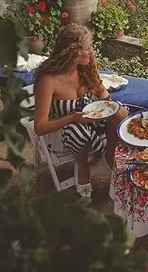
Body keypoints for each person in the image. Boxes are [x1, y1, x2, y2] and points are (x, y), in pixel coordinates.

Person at [33, 24, 129, 199]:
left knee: (121, 113)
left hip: (88, 122)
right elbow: (39, 127)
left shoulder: (84, 69)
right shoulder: (48, 80)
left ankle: (110, 154)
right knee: (79, 130)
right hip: (60, 131)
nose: (91, 51)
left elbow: (105, 98)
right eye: (87, 48)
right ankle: (82, 166)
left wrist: (109, 105)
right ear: (73, 51)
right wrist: (72, 118)